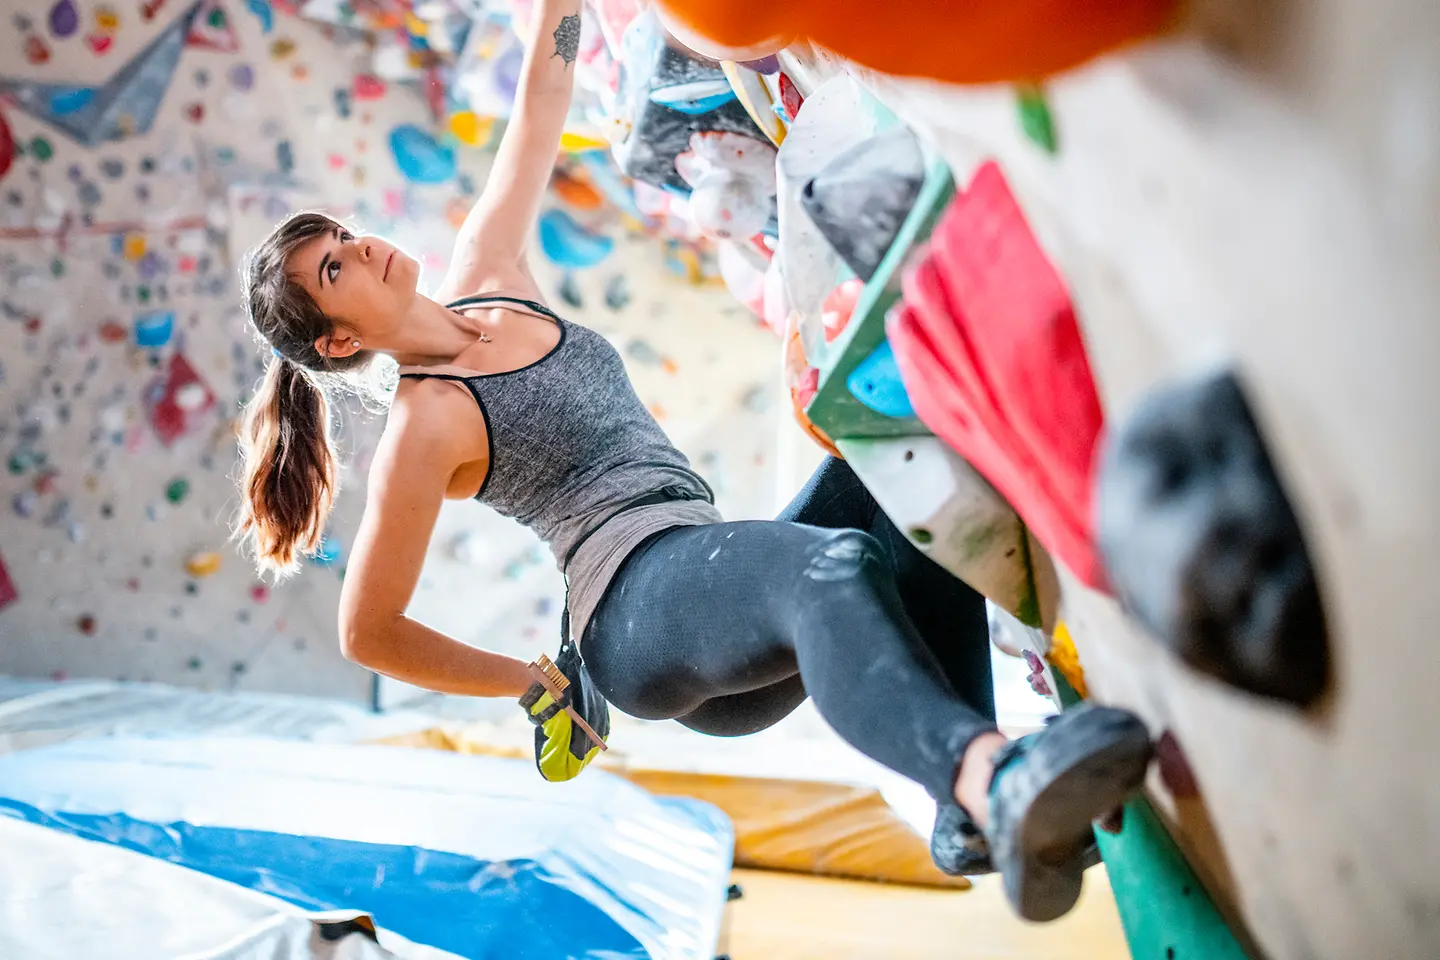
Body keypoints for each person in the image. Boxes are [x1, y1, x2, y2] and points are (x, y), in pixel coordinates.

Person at [234, 0, 1152, 922]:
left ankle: (969, 810)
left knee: (911, 453)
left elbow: (546, 88)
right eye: (335, 271)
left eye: (344, 237)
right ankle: (992, 778)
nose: (361, 250)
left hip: (704, 565)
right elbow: (369, 631)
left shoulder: (492, 275)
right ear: (343, 343)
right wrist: (530, 681)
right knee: (831, 568)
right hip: (636, 619)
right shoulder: (424, 425)